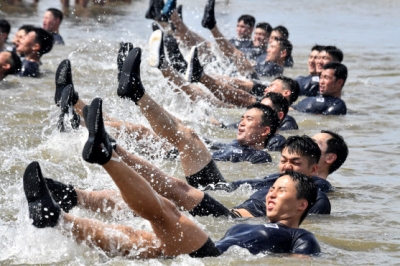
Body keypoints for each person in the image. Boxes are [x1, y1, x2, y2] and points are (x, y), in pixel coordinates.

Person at [55, 52, 280, 164]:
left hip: (181, 160)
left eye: (249, 120)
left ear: (265, 131)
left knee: (139, 130)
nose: (241, 123)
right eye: (243, 118)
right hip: (183, 151)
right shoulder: (233, 143)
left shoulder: (261, 158)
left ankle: (77, 115)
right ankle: (73, 104)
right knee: (144, 126)